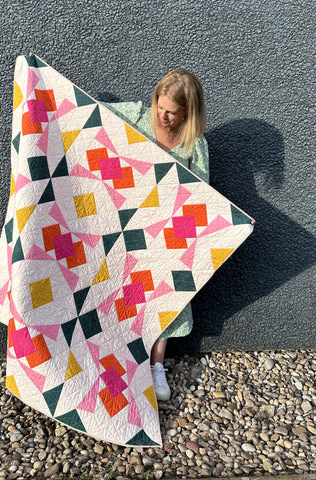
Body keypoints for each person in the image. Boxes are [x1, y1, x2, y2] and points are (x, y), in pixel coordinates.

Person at [105, 70, 210, 401]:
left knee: (168, 295)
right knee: (121, 292)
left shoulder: (195, 144)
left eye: (171, 112)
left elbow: (203, 197)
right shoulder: (138, 115)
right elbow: (92, 117)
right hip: (127, 224)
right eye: (160, 107)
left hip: (168, 233)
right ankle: (121, 360)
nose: (163, 116)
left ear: (187, 112)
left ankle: (156, 367)